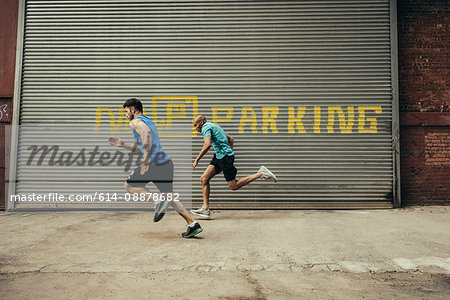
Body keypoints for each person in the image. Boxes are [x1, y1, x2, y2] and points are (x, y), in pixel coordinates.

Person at [109, 98, 202, 238]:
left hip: (153, 164)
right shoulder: (149, 121)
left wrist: (146, 160)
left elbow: (145, 134)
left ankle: (157, 200)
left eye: (126, 111)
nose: (125, 114)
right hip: (166, 163)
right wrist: (123, 144)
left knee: (128, 185)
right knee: (169, 196)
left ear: (133, 109)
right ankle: (192, 224)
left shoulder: (135, 122)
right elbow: (143, 146)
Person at [191, 115, 277, 218]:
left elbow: (207, 144)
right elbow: (231, 139)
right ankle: (205, 209)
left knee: (233, 186)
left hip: (224, 158)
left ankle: (261, 174)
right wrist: (229, 151)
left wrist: (197, 160)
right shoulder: (214, 126)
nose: (195, 128)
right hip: (220, 157)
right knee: (204, 179)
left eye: (195, 125)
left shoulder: (206, 127)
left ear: (201, 122)